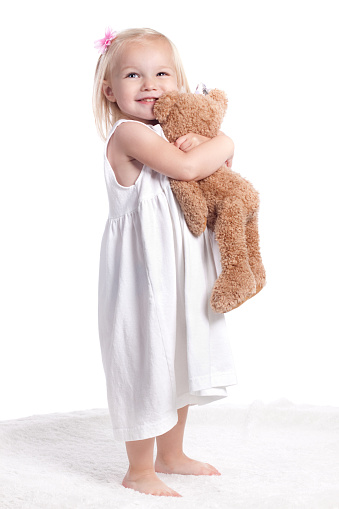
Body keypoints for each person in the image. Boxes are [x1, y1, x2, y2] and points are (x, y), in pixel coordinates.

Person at [93, 27, 237, 498]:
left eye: (161, 73)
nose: (150, 84)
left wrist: (209, 147)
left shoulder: (174, 135)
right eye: (134, 75)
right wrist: (225, 143)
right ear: (111, 91)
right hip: (141, 280)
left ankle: (171, 454)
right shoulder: (129, 134)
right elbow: (190, 169)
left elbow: (212, 177)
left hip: (181, 273)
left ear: (179, 82)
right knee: (143, 360)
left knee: (179, 354)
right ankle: (138, 469)